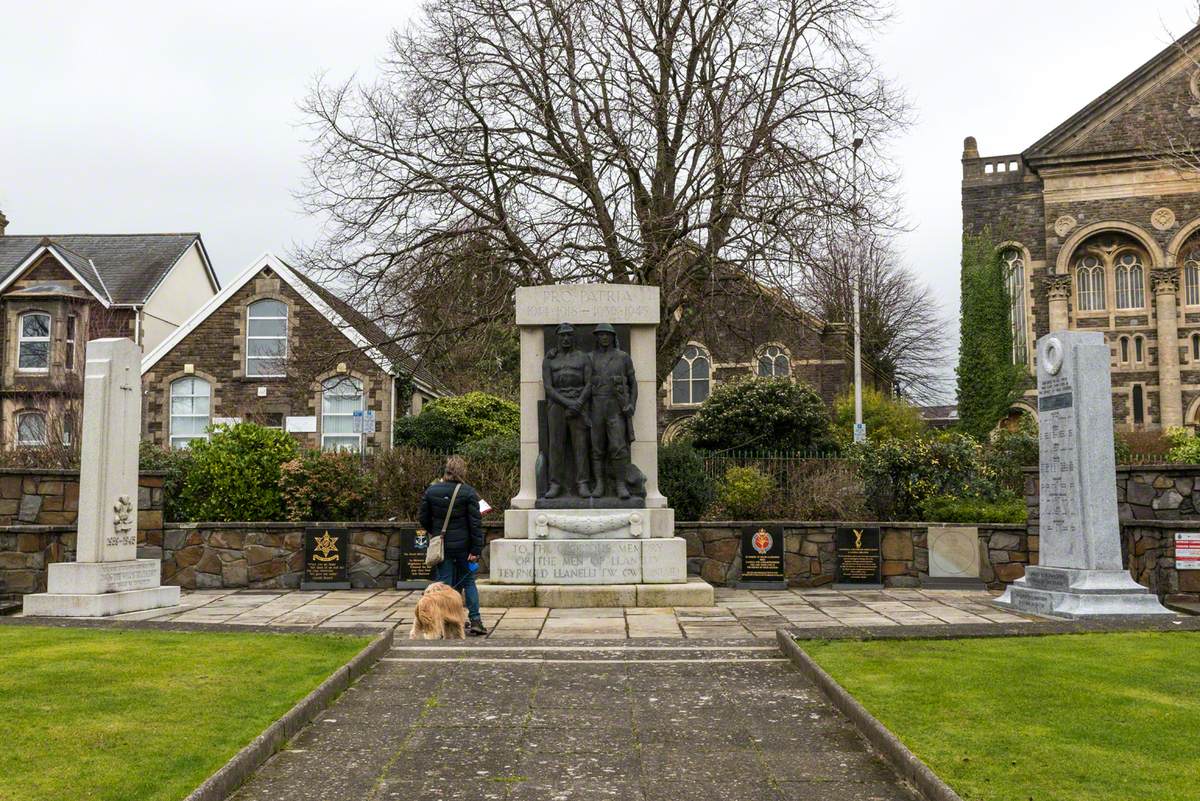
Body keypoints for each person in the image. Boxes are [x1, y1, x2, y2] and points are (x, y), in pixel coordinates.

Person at [419, 455, 486, 636]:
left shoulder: (432, 491)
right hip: (464, 547)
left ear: (446, 470)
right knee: (469, 582)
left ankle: (443, 621)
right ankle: (475, 620)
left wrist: (436, 531)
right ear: (462, 472)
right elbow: (475, 524)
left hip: (443, 546)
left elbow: (422, 518)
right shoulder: (469, 492)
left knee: (444, 584)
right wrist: (475, 550)